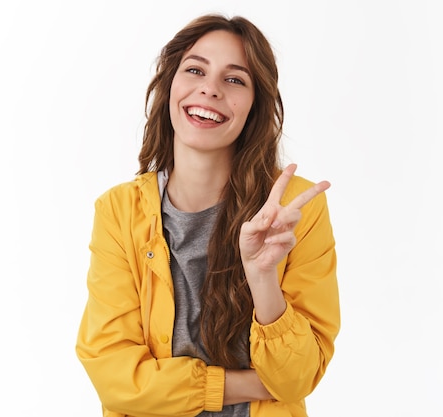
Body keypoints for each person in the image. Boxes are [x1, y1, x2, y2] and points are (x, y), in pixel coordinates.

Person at [75, 13, 340, 417]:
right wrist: (238, 385)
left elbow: (297, 376)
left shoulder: (295, 210)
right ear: (170, 87)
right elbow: (115, 379)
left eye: (235, 79)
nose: (210, 89)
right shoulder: (118, 211)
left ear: (255, 106)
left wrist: (263, 278)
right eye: (195, 70)